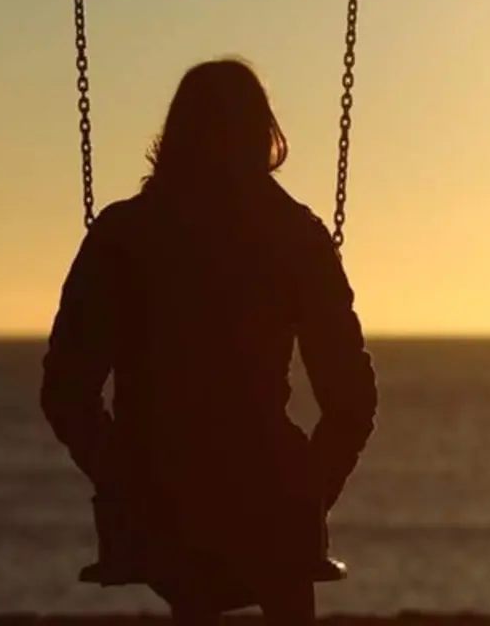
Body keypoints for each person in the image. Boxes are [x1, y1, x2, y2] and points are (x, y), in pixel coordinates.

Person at [40, 57, 378, 625]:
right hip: (266, 492)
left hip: (158, 494)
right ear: (263, 136)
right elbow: (352, 400)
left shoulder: (125, 234)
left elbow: (65, 391)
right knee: (282, 571)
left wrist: (119, 472)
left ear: (174, 135)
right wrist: (311, 490)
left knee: (191, 574)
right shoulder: (294, 235)